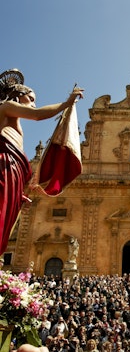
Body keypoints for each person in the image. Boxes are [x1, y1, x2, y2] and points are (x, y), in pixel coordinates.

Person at [0, 69, 83, 255]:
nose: (34, 103)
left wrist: (18, 192)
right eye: (31, 98)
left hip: (12, 172)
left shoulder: (13, 119)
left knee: (4, 220)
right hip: (4, 167)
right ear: (18, 95)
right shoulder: (5, 107)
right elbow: (37, 115)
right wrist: (67, 103)